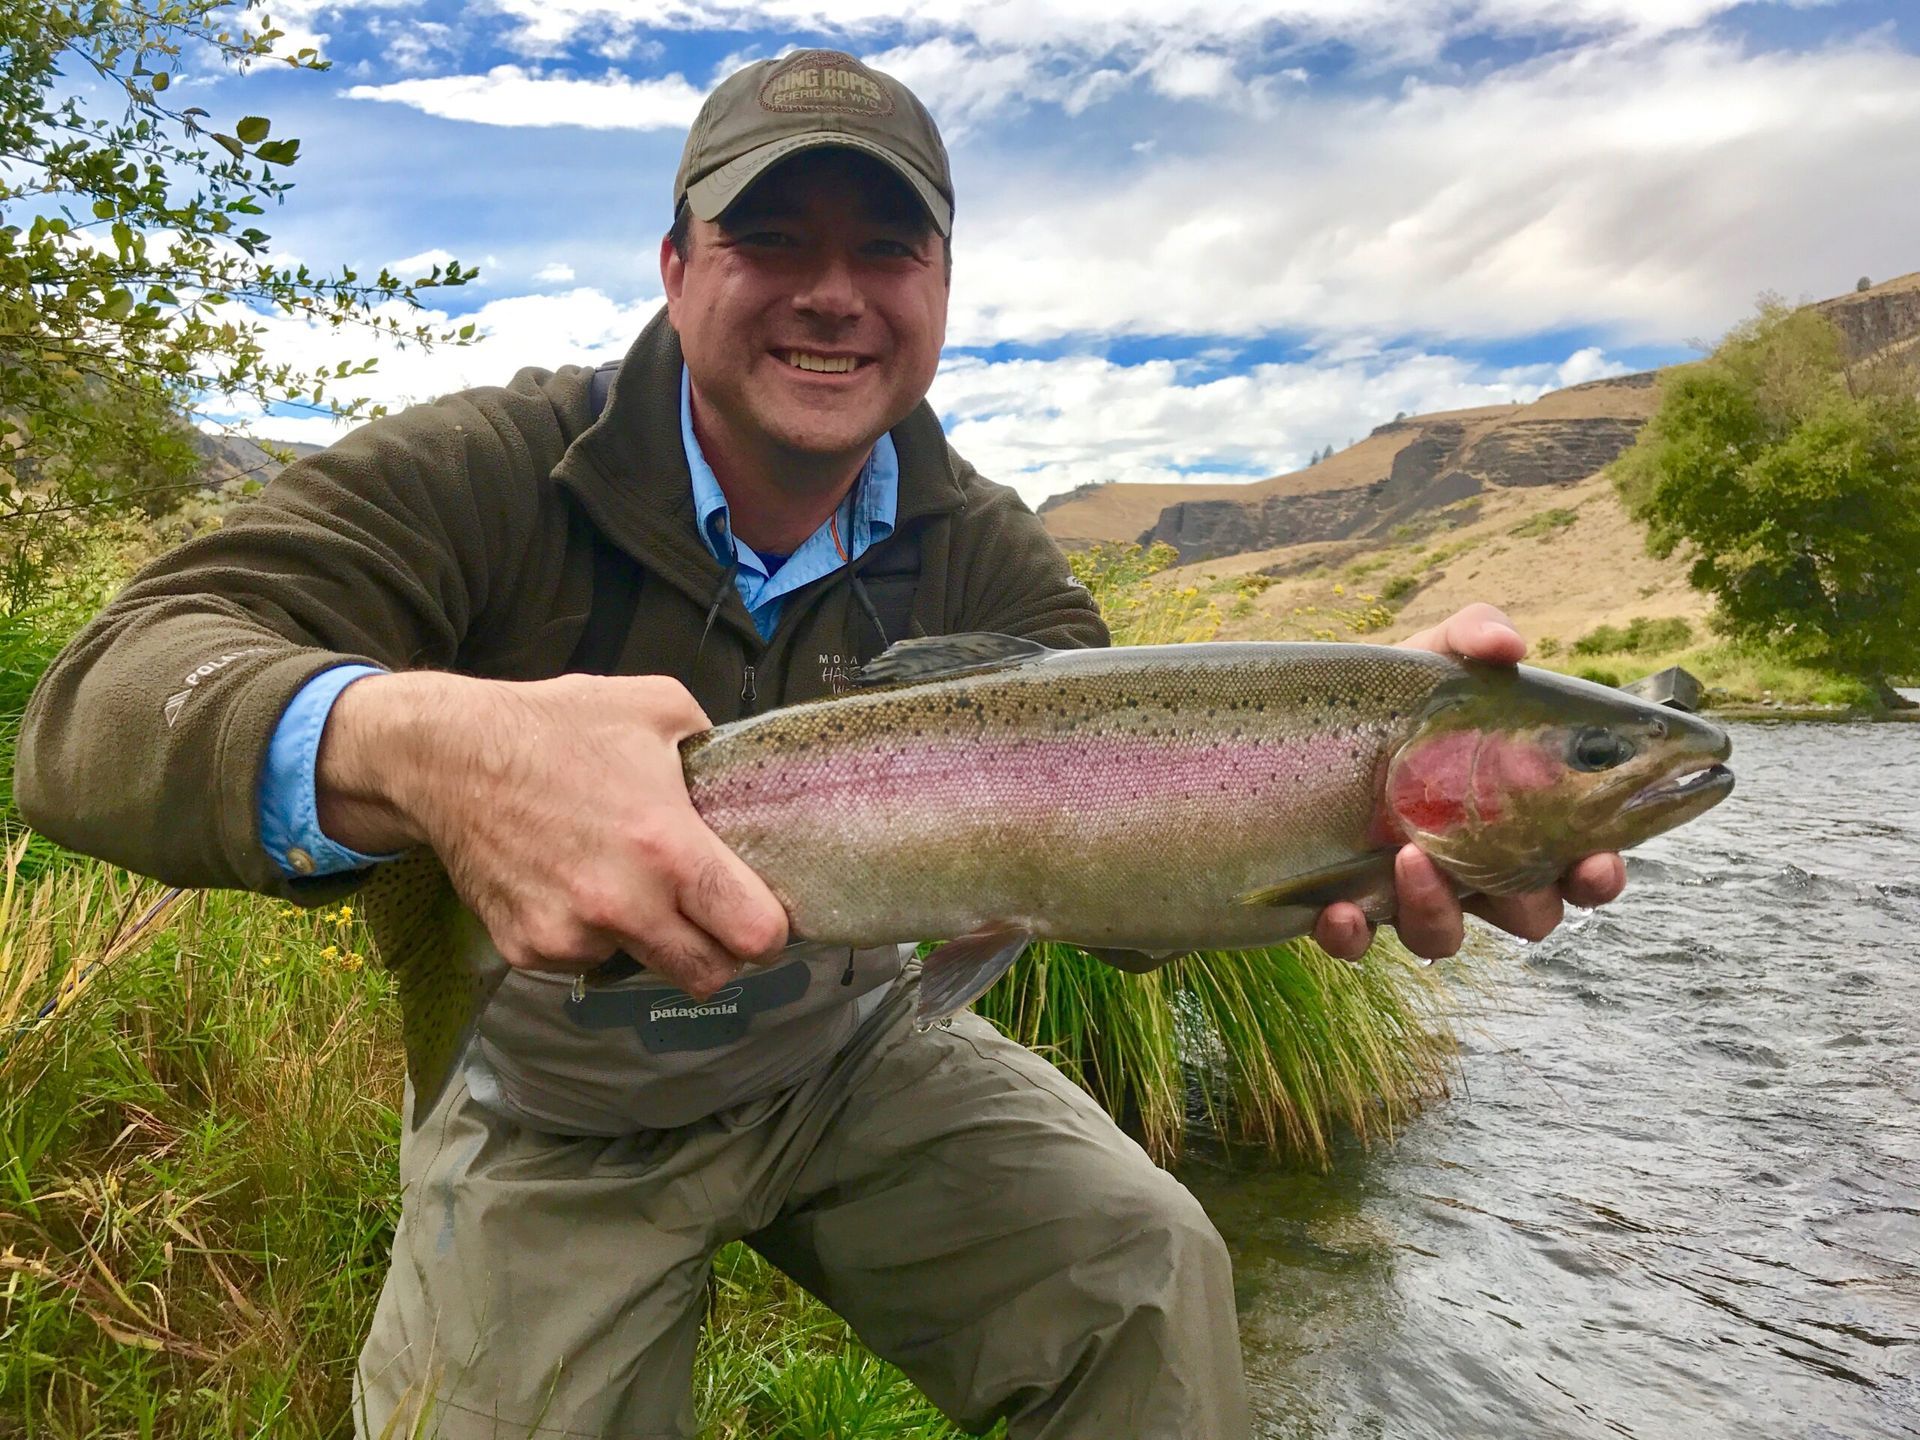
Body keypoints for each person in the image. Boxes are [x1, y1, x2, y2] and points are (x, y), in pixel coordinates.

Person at [15, 48, 1625, 1440]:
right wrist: (426, 744)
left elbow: (1110, 889)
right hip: (559, 1101)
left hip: (855, 1052)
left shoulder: (988, 551)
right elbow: (93, 707)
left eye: (888, 248)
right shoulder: (490, 468)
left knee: (1150, 1275)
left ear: (939, 290)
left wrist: (1325, 772)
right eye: (770, 236)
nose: (833, 290)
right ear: (673, 263)